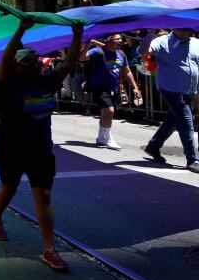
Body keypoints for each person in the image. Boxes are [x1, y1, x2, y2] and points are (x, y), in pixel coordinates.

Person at [0, 19, 83, 272]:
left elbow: (70, 62)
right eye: (27, 61)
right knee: (9, 187)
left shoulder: (46, 82)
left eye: (35, 60)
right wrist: (20, 29)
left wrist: (77, 35)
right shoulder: (7, 83)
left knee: (43, 194)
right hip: (11, 148)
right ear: (16, 65)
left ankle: (49, 249)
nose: (33, 64)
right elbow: (6, 58)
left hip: (40, 149)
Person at [143, 28, 199, 172]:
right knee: (186, 121)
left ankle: (153, 146)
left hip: (189, 89)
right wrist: (150, 33)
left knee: (173, 120)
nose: (188, 31)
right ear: (176, 27)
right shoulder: (161, 41)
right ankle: (193, 159)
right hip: (170, 88)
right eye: (184, 27)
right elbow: (144, 52)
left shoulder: (195, 42)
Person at [80, 33, 141, 149]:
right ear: (108, 40)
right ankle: (107, 139)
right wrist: (88, 44)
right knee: (109, 110)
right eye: (117, 39)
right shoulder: (98, 51)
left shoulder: (121, 54)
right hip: (99, 86)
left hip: (114, 88)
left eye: (120, 39)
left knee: (106, 113)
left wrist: (135, 87)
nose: (120, 41)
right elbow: (81, 58)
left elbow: (127, 71)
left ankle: (101, 137)